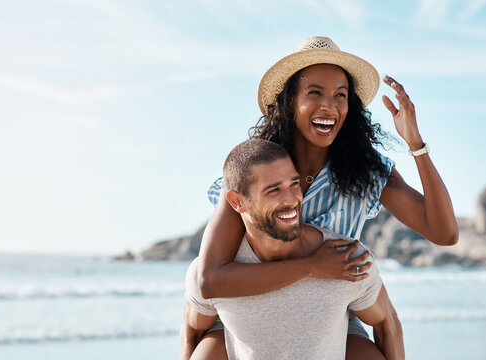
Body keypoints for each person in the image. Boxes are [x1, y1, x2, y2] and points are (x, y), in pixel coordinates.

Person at [196, 36, 458, 359]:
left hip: (331, 319)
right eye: (315, 93)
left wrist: (415, 143)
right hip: (251, 312)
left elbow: (444, 232)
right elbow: (210, 278)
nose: (329, 107)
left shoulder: (366, 171)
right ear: (290, 100)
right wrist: (311, 266)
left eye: (340, 95)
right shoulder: (257, 167)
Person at [180, 139, 403, 360]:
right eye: (274, 190)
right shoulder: (214, 273)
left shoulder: (346, 260)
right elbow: (192, 330)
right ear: (237, 201)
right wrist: (311, 267)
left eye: (294, 184)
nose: (292, 199)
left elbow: (387, 322)